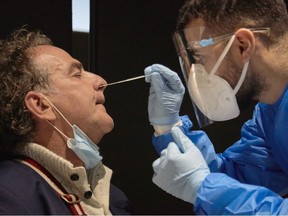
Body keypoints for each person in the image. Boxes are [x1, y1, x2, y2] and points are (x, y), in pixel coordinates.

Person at [144, 0, 288, 214]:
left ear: (243, 45)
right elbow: (235, 177)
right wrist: (169, 128)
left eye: (200, 57)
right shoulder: (269, 113)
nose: (196, 74)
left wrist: (203, 187)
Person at [0, 28, 134, 215]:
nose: (101, 81)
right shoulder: (9, 196)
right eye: (76, 74)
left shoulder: (116, 199)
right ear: (41, 105)